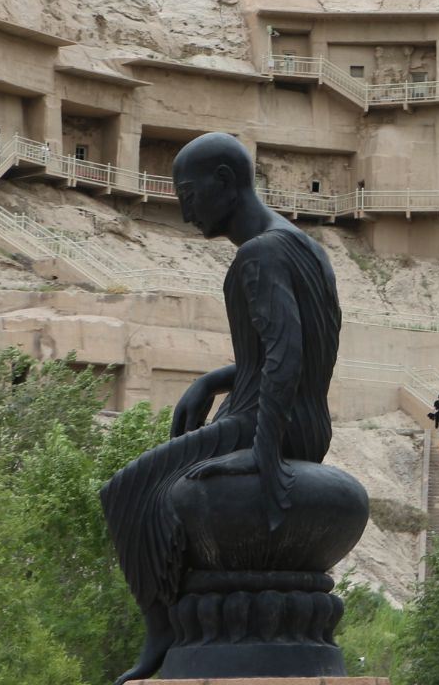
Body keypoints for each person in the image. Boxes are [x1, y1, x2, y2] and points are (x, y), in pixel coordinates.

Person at [98, 133, 343, 684]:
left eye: (189, 193)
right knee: (162, 474)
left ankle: (161, 626)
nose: (185, 211)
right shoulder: (303, 246)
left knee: (127, 489)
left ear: (226, 183)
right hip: (305, 422)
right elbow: (291, 352)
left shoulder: (259, 254)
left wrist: (262, 454)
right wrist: (213, 379)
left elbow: (287, 357)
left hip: (267, 425)